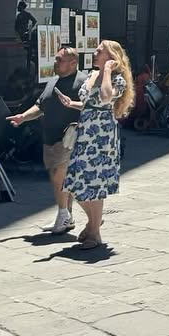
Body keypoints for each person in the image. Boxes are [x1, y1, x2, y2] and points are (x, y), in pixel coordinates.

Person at [57, 40, 135, 248]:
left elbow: (105, 97)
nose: (94, 53)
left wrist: (107, 71)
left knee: (94, 183)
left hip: (101, 137)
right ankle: (93, 223)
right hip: (84, 133)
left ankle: (94, 234)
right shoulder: (91, 75)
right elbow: (89, 103)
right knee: (75, 182)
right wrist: (72, 104)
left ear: (111, 57)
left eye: (99, 51)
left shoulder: (117, 79)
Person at [6, 45, 88, 233]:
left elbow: (91, 105)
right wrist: (23, 117)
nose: (55, 62)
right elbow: (40, 106)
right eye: (56, 58)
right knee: (59, 178)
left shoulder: (83, 82)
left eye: (59, 59)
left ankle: (65, 214)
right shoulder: (53, 82)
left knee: (58, 174)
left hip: (68, 138)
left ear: (73, 63)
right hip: (50, 138)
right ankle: (67, 216)